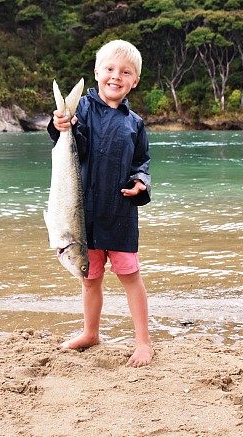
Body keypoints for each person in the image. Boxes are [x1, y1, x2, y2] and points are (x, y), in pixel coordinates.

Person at [48, 39, 153, 367]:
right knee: (89, 279)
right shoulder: (82, 110)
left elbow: (142, 161)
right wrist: (61, 124)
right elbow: (70, 141)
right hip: (84, 218)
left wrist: (141, 183)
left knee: (131, 278)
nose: (116, 76)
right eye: (109, 69)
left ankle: (143, 342)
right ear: (97, 72)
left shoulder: (135, 123)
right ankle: (90, 332)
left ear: (134, 81)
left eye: (125, 72)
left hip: (120, 216)